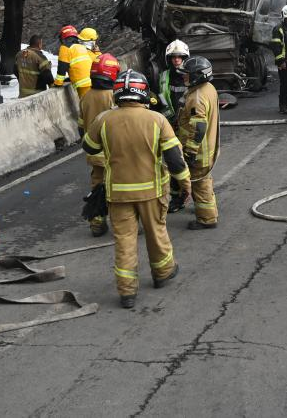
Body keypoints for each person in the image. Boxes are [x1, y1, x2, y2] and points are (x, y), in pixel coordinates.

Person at [82, 70, 188, 308]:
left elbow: (89, 147)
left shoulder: (104, 119)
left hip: (118, 194)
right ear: (143, 92)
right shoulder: (157, 120)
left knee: (124, 241)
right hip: (152, 192)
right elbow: (174, 158)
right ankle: (162, 273)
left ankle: (127, 292)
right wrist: (185, 184)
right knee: (156, 232)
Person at [78, 53, 119, 237]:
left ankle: (96, 223)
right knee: (120, 188)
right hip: (114, 154)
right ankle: (124, 223)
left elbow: (81, 128)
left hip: (94, 154)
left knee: (97, 189)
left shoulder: (86, 97)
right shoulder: (113, 96)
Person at [177, 56, 220, 230]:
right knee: (204, 181)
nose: (184, 76)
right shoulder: (208, 88)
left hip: (199, 152)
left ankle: (206, 219)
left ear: (197, 76)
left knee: (200, 184)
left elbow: (198, 127)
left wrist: (190, 151)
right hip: (208, 148)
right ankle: (207, 211)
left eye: (187, 74)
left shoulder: (197, 97)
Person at [158, 40, 190, 124]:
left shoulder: (191, 76)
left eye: (179, 57)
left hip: (186, 118)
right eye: (173, 57)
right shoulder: (163, 76)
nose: (176, 60)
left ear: (184, 58)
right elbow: (161, 96)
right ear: (169, 59)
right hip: (169, 119)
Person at [54, 25, 91, 95]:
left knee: (85, 102)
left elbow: (62, 67)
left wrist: (58, 83)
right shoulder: (81, 47)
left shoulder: (65, 48)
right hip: (91, 81)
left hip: (82, 84)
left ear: (63, 38)